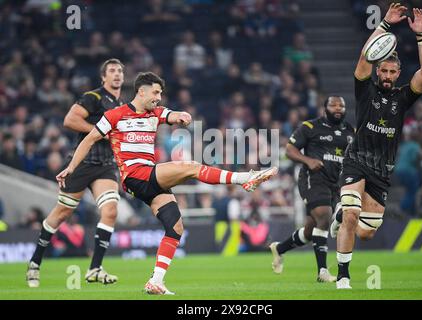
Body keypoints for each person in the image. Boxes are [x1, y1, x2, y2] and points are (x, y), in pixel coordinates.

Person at [55, 71, 278, 295]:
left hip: (149, 179)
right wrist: (71, 167)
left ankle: (156, 281)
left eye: (160, 93)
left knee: (175, 227)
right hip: (135, 175)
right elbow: (89, 139)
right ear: (141, 91)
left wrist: (182, 115)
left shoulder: (155, 113)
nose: (158, 97)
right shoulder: (115, 115)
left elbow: (172, 115)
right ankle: (245, 179)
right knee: (189, 167)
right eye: (155, 92)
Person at [330, 4, 422, 289]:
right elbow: (365, 57)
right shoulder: (365, 90)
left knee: (366, 233)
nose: (387, 75)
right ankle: (343, 277)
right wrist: (385, 24)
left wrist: (421, 36)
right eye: (383, 70)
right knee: (352, 214)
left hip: (382, 170)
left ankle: (339, 215)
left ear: (398, 73)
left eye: (391, 72)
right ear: (378, 71)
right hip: (356, 160)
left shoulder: (403, 98)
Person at [26, 59, 126, 288]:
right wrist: (99, 131)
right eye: (112, 71)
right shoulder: (94, 97)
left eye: (120, 71)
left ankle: (95, 268)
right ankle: (34, 263)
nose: (117, 74)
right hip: (83, 162)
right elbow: (70, 120)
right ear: (103, 77)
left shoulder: (121, 105)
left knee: (110, 211)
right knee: (61, 214)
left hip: (106, 165)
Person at [270, 96, 354, 282]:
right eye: (333, 105)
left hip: (336, 183)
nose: (338, 108)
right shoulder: (310, 127)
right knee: (324, 215)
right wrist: (308, 161)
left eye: (341, 105)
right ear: (325, 109)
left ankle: (279, 249)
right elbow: (290, 150)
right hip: (313, 179)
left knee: (311, 230)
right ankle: (322, 272)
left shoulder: (350, 131)